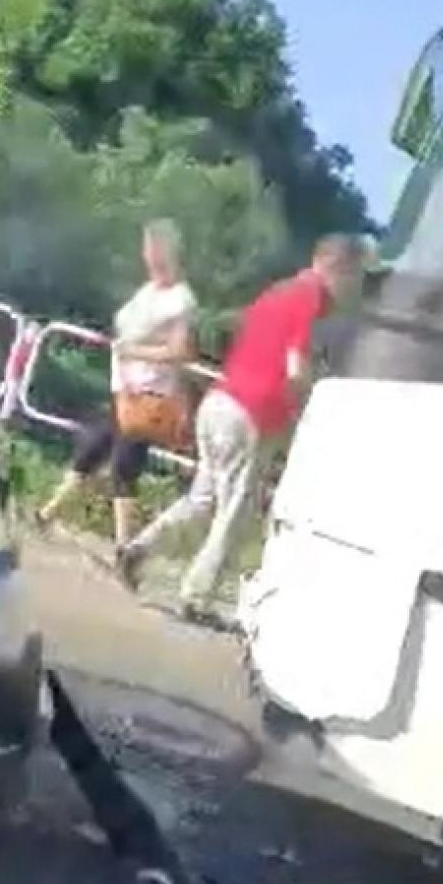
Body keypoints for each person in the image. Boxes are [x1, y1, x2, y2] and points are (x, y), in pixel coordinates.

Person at [116, 234, 367, 621]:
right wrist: (310, 406)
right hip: (253, 413)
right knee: (234, 510)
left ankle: (138, 550)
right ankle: (196, 598)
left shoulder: (276, 292)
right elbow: (295, 367)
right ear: (339, 268)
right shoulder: (311, 297)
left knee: (203, 498)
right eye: (355, 276)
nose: (354, 287)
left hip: (220, 401)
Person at [35, 219, 197, 546]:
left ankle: (124, 546)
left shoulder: (181, 299)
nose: (147, 255)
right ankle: (48, 513)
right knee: (94, 449)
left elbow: (181, 351)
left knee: (124, 465)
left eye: (152, 248)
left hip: (147, 394)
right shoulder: (149, 291)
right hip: (124, 389)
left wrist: (133, 350)